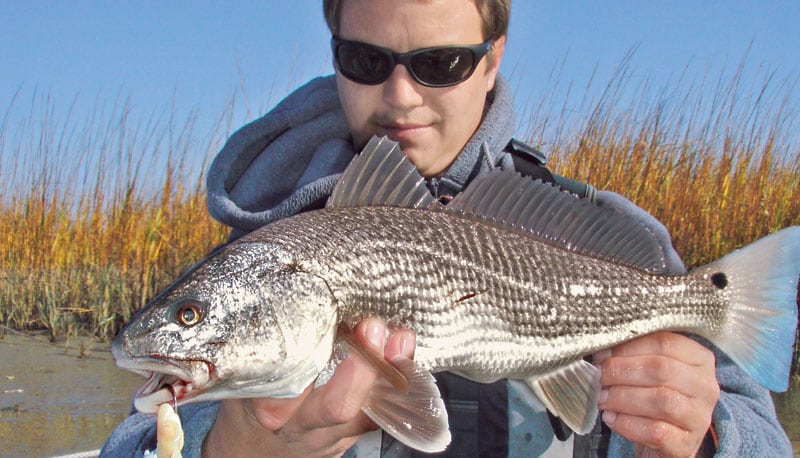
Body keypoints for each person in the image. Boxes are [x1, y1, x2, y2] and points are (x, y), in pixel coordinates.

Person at [102, 1, 792, 457]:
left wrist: (706, 436)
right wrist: (224, 447)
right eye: (368, 61)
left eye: (441, 64)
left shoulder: (614, 234)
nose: (400, 97)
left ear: (493, 58)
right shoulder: (263, 247)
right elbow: (126, 443)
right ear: (334, 48)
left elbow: (764, 440)